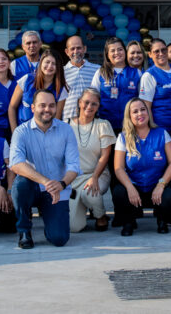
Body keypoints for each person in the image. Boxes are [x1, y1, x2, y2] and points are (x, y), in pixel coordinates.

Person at [9, 90, 80, 249]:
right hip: (33, 186)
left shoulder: (66, 130)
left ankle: (49, 219)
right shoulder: (22, 131)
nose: (47, 109)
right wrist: (45, 181)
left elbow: (74, 166)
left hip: (57, 189)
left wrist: (62, 184)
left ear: (56, 108)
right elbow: (16, 163)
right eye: (42, 105)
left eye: (51, 106)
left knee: (59, 239)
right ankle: (24, 230)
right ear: (33, 108)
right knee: (20, 185)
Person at [112, 98, 171, 236]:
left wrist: (161, 185)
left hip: (156, 188)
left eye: (143, 109)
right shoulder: (123, 137)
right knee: (119, 192)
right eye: (135, 111)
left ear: (148, 112)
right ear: (129, 116)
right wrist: (130, 188)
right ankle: (129, 221)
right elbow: (118, 168)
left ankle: (162, 219)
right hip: (135, 189)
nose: (140, 114)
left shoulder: (162, 133)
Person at [68, 88, 116, 232]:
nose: (89, 107)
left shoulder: (103, 125)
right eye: (86, 102)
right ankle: (84, 209)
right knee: (73, 228)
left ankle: (100, 216)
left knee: (89, 193)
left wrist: (95, 177)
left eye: (94, 104)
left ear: (98, 106)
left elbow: (105, 156)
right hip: (74, 177)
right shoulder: (66, 124)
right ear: (79, 102)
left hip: (97, 174)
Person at [140, 38, 171, 141]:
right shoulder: (149, 75)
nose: (161, 53)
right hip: (162, 129)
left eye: (163, 50)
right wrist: (153, 127)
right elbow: (146, 106)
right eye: (156, 51)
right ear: (150, 54)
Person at [92, 37, 142, 133]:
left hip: (130, 126)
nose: (117, 53)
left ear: (125, 51)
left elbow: (142, 100)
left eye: (120, 49)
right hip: (105, 127)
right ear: (107, 55)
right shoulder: (100, 73)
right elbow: (93, 99)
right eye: (113, 51)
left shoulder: (137, 73)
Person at [10, 50, 68, 130]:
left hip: (45, 136)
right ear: (41, 63)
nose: (50, 66)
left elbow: (56, 120)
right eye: (47, 62)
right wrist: (14, 132)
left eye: (54, 64)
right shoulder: (26, 80)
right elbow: (12, 107)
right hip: (23, 133)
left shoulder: (61, 90)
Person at [62, 35, 99, 121]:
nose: (76, 51)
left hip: (92, 122)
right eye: (72, 49)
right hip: (68, 122)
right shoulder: (61, 72)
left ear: (84, 49)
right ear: (67, 52)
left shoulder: (97, 70)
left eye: (79, 48)